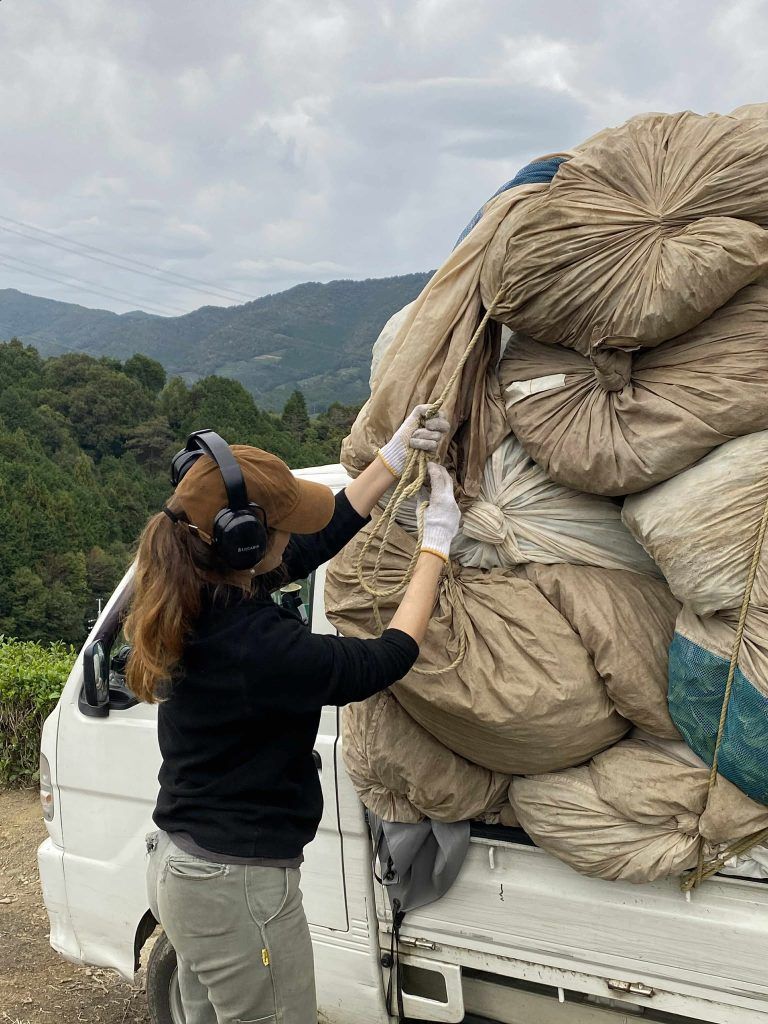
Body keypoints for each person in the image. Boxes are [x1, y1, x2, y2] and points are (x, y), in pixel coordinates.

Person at [127, 405, 461, 1024]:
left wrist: (392, 459)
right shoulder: (256, 646)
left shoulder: (190, 585)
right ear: (244, 542)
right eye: (283, 527)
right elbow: (384, 659)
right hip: (236, 890)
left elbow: (313, 543)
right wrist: (435, 547)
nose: (291, 538)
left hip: (184, 869)